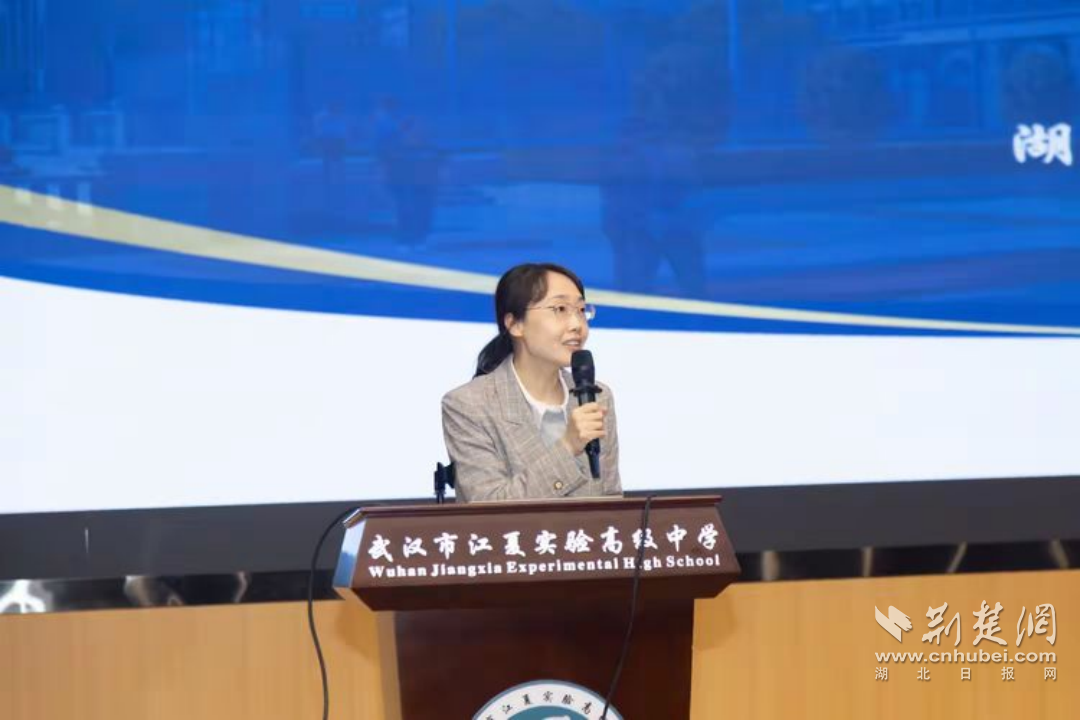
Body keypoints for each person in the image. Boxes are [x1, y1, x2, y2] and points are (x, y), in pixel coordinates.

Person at [442, 263, 622, 502]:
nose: (577, 325)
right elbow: (487, 510)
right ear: (515, 324)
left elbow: (612, 502)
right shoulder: (469, 405)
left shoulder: (597, 397)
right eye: (560, 309)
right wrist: (568, 446)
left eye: (581, 310)